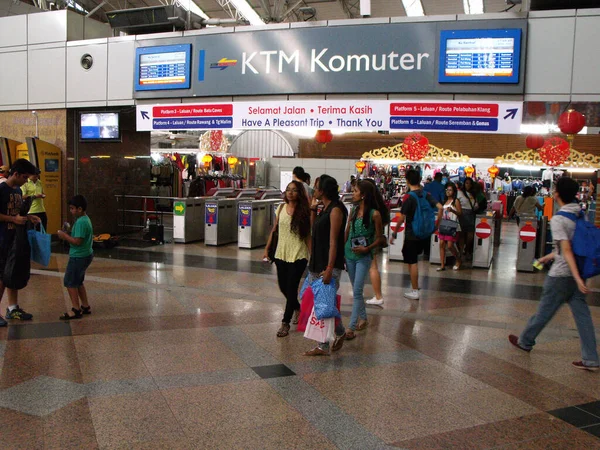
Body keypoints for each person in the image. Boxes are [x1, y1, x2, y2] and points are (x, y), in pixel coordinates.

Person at [509, 177, 599, 372]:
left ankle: (525, 341)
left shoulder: (559, 219)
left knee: (544, 311)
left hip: (561, 276)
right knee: (583, 317)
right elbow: (568, 248)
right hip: (578, 273)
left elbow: (566, 251)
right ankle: (591, 358)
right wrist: (546, 258)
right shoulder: (579, 214)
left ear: (557, 194)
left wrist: (575, 277)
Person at [304, 174, 348, 356]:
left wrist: (329, 268)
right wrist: (314, 210)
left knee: (323, 303)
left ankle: (322, 345)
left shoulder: (336, 210)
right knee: (319, 302)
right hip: (317, 261)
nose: (314, 189)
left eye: (316, 186)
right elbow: (314, 231)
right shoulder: (326, 207)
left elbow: (333, 242)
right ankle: (339, 331)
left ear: (323, 190)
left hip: (327, 264)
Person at [264, 181, 311, 337]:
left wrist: (312, 256)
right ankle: (297, 307)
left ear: (300, 193)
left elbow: (307, 236)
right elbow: (275, 229)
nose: (290, 193)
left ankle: (285, 323)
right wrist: (267, 248)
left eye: (294, 190)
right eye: (288, 190)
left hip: (299, 253)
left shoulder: (304, 211)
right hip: (281, 253)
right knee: (283, 287)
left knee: (291, 288)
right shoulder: (281, 208)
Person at [390, 169, 442, 300]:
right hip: (424, 233)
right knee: (416, 261)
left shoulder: (409, 197)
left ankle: (414, 291)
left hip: (411, 234)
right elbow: (441, 207)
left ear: (407, 180)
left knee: (412, 262)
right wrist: (436, 225)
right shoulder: (426, 194)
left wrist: (394, 233)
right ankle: (415, 285)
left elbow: (402, 218)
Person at [0, 159, 41, 325]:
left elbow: (17, 213)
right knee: (2, 276)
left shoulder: (17, 190)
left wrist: (28, 217)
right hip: (2, 239)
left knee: (12, 273)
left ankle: (12, 308)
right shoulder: (2, 189)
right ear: (15, 174)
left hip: (14, 239)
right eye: (24, 177)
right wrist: (12, 219)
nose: (26, 181)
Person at [344, 181, 384, 340]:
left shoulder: (375, 214)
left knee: (358, 290)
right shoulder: (353, 211)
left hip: (364, 256)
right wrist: (342, 251)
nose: (353, 193)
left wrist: (368, 248)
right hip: (350, 253)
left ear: (364, 195)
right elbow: (347, 231)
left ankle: (351, 326)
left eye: (355, 191)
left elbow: (379, 238)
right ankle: (364, 318)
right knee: (355, 289)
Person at [57, 195, 94, 320]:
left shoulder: (81, 222)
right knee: (78, 282)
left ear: (79, 209)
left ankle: (76, 309)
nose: (71, 211)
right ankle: (85, 305)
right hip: (86, 254)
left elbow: (77, 241)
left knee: (70, 282)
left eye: (72, 208)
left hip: (78, 256)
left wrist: (63, 236)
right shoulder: (85, 219)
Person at [364, 178, 390, 306]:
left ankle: (378, 295)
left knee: (372, 267)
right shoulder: (380, 204)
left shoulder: (369, 207)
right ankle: (377, 295)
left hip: (368, 239)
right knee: (373, 266)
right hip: (375, 238)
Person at [437, 183, 462, 271]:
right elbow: (440, 214)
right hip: (443, 224)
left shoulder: (456, 201)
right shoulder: (444, 201)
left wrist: (452, 210)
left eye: (450, 190)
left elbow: (460, 213)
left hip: (452, 225)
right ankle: (442, 265)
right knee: (441, 244)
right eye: (447, 190)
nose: (448, 191)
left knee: (450, 245)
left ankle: (458, 260)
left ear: (454, 191)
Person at [457, 177, 477, 260]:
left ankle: (467, 249)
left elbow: (475, 204)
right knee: (461, 234)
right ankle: (461, 252)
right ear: (464, 184)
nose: (468, 185)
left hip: (471, 214)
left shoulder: (473, 193)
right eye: (466, 183)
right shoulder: (459, 193)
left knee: (470, 235)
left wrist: (476, 206)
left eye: (469, 183)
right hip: (462, 214)